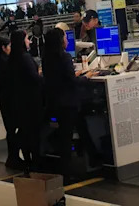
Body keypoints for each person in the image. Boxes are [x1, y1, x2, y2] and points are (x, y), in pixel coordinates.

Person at [42, 28, 98, 181]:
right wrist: (87, 76)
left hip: (55, 103)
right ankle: (76, 168)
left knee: (66, 136)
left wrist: (75, 74)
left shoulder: (46, 58)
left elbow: (61, 78)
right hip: (68, 104)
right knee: (74, 133)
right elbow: (71, 81)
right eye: (65, 38)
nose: (67, 40)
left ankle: (75, 165)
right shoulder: (64, 57)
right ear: (60, 41)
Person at [8, 29, 42, 174]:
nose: (30, 41)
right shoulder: (25, 57)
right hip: (31, 101)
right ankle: (36, 163)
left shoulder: (12, 59)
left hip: (19, 102)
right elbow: (34, 78)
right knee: (34, 133)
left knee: (25, 132)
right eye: (27, 39)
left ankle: (28, 160)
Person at [0, 35, 22, 169]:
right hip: (11, 96)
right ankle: (15, 157)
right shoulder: (7, 62)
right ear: (4, 48)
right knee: (19, 127)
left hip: (3, 96)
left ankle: (12, 157)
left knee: (10, 128)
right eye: (9, 47)